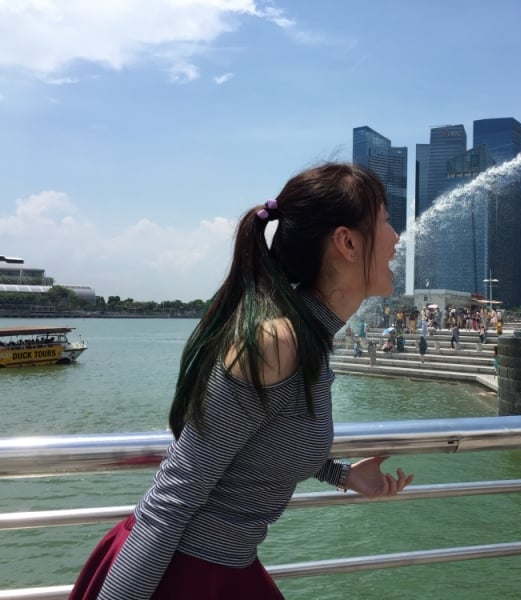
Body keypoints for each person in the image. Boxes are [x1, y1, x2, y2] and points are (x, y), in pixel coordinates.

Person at [68, 163, 414, 600]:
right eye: (384, 220)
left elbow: (263, 443)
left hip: (223, 569)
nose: (396, 236)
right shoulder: (278, 340)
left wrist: (342, 474)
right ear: (346, 242)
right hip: (180, 574)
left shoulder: (308, 337)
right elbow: (172, 500)